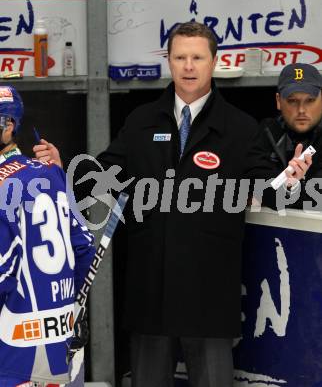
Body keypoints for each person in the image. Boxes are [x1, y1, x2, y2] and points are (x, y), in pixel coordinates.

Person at [33, 23, 312, 387]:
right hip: (152, 291)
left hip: (209, 293)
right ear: (169, 61)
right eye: (180, 57)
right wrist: (63, 165)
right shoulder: (141, 120)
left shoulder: (240, 128)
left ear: (214, 61)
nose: (188, 66)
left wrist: (290, 178)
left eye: (197, 57)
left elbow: (268, 189)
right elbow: (103, 174)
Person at [0, 85, 96, 387]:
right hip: (62, 344)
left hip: (12, 356)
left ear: (9, 126)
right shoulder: (51, 171)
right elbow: (85, 247)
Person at [259, 62, 322, 204]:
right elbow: (251, 187)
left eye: (310, 100)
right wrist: (289, 187)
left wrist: (290, 189)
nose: (301, 109)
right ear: (278, 101)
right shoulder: (267, 132)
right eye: (293, 101)